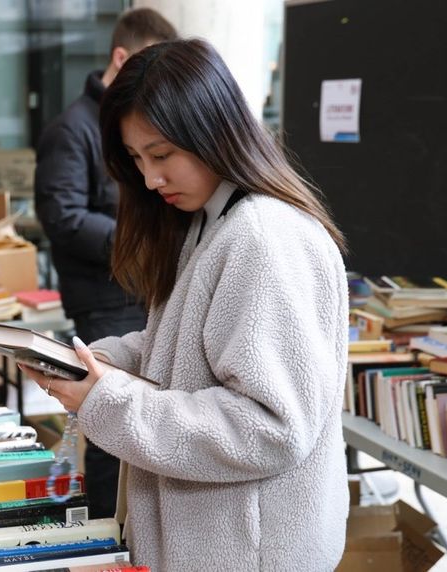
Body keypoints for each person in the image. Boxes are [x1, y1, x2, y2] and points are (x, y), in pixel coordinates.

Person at [22, 39, 350, 570]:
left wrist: (109, 400)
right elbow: (188, 348)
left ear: (212, 131)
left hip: (248, 554)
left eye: (161, 155)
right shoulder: (213, 223)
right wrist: (102, 364)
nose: (150, 179)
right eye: (135, 159)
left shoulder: (263, 238)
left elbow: (270, 427)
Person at [33, 7, 177, 520]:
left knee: (136, 419)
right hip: (104, 296)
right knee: (107, 427)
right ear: (122, 57)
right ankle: (103, 532)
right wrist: (140, 239)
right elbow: (63, 217)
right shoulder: (72, 129)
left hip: (142, 291)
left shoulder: (126, 124)